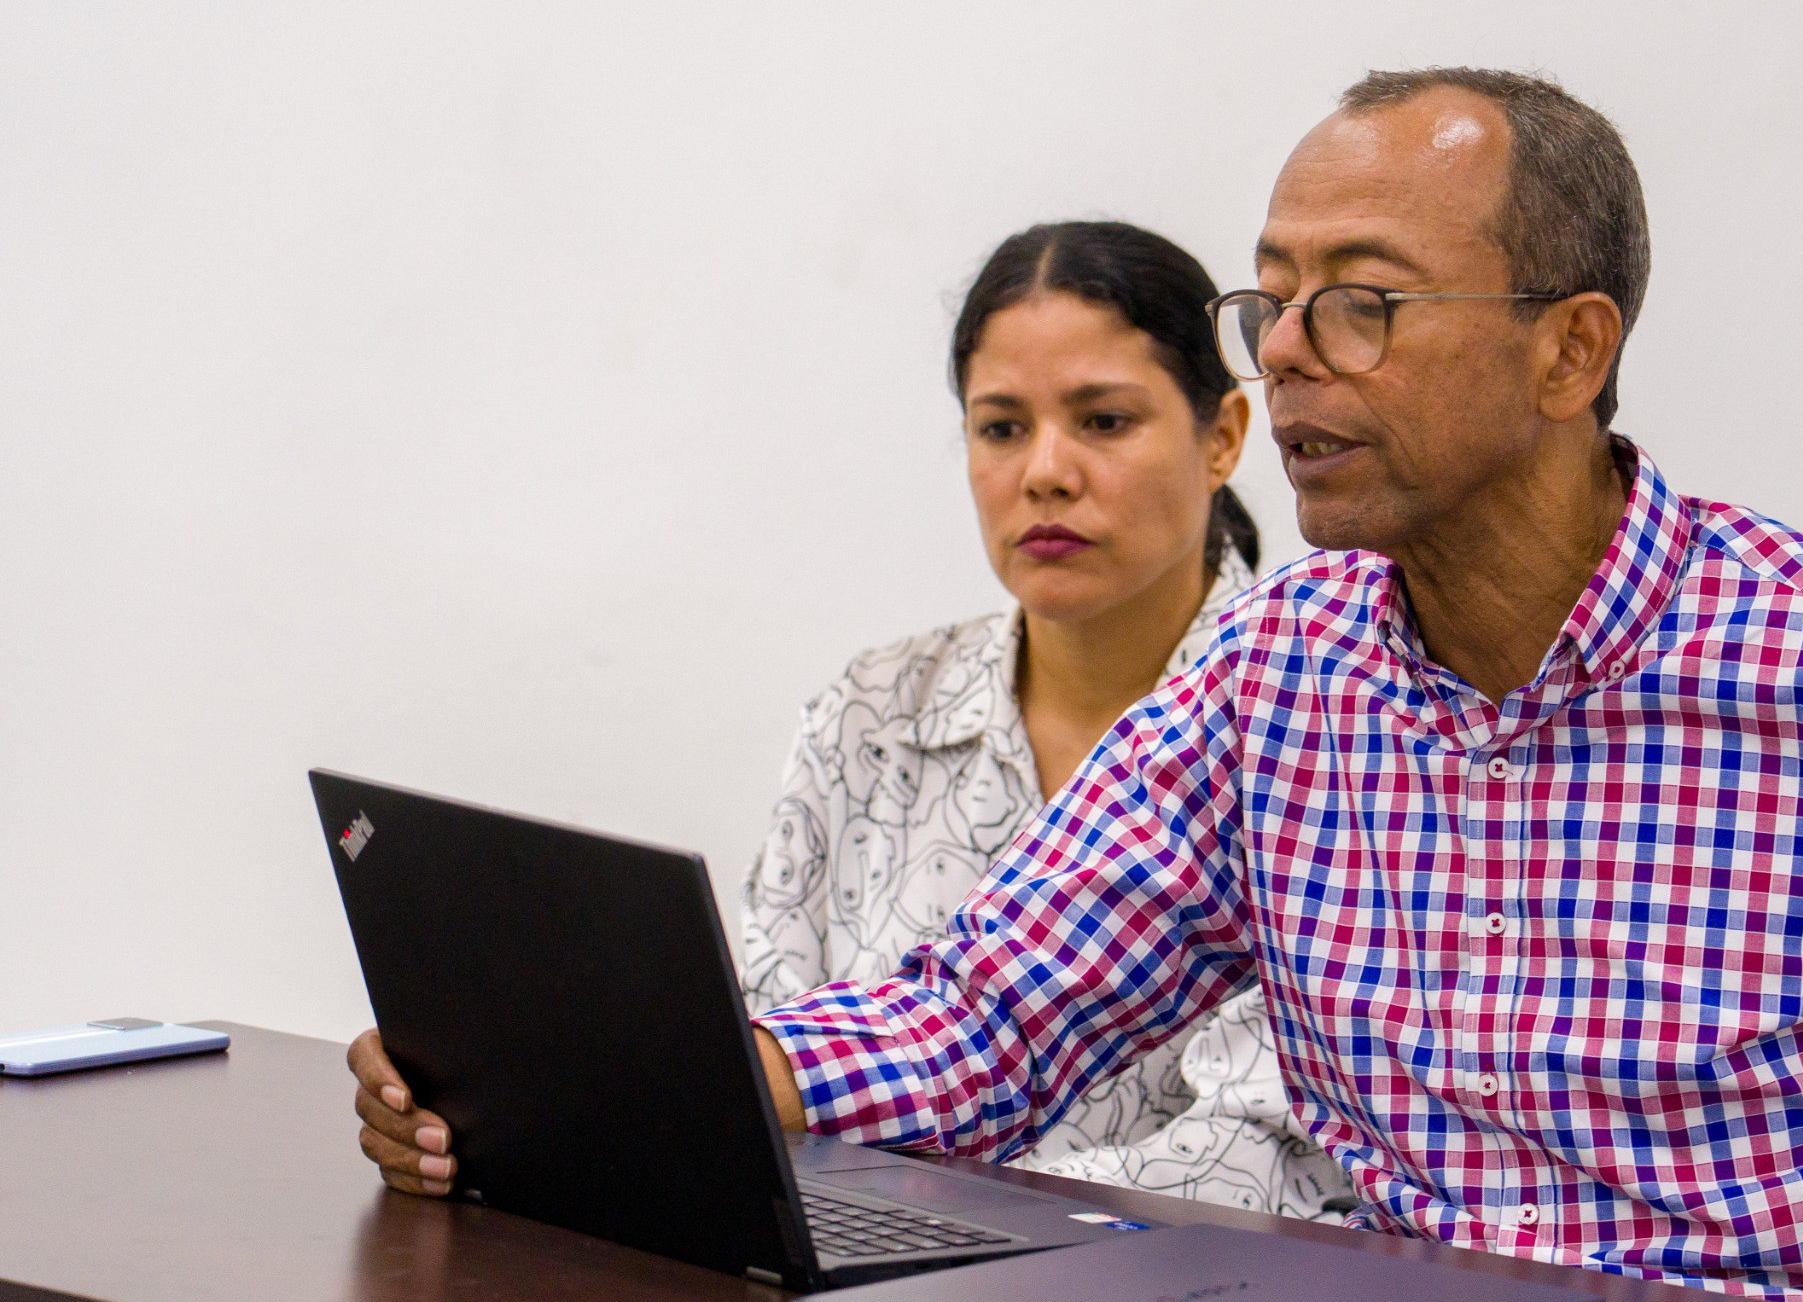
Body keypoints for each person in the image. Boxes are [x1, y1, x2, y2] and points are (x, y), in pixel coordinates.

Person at [365, 69, 1803, 1302]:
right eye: (1270, 305)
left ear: (1571, 346)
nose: (1292, 364)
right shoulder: (1277, 667)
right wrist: (604, 1076)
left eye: (1364, 305)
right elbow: (986, 1020)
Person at [347, 220, 1352, 1220]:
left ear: (1222, 435)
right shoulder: (872, 711)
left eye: (1102, 421)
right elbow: (772, 1044)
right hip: (861, 1280)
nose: (1045, 471)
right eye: (1001, 427)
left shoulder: (1307, 721)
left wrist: (933, 1215)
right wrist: (495, 1107)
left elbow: (1270, 1158)